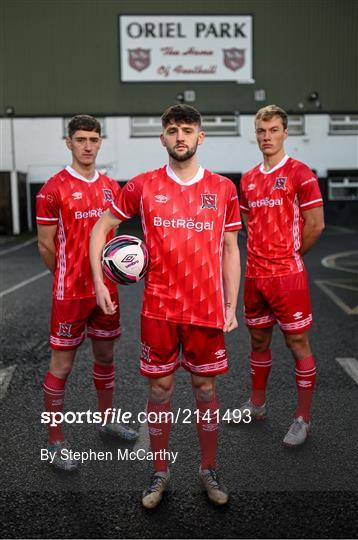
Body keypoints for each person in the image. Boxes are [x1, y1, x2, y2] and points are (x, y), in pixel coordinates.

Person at [90, 105, 241, 508]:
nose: (180, 136)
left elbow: (230, 248)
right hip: (158, 311)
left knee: (206, 387)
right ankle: (160, 471)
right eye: (172, 130)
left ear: (200, 137)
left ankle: (208, 469)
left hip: (205, 311)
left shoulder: (224, 189)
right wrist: (98, 281)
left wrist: (231, 305)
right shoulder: (142, 186)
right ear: (162, 138)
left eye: (187, 130)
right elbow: (102, 226)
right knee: (159, 390)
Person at [36, 114, 137, 471]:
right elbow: (46, 246)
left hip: (106, 292)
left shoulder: (112, 186)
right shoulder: (53, 189)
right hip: (70, 295)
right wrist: (68, 276)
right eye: (81, 139)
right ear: (69, 143)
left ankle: (107, 419)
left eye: (94, 139)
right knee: (61, 367)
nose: (88, 146)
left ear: (100, 142)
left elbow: (114, 243)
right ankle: (55, 441)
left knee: (106, 357)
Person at [228, 104, 324, 447]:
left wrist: (290, 256)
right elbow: (246, 225)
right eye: (261, 131)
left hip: (287, 276)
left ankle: (303, 419)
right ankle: (257, 405)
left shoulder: (301, 173)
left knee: (298, 343)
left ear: (285, 133)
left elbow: (316, 224)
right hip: (255, 276)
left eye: (273, 130)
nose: (267, 137)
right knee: (258, 341)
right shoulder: (249, 179)